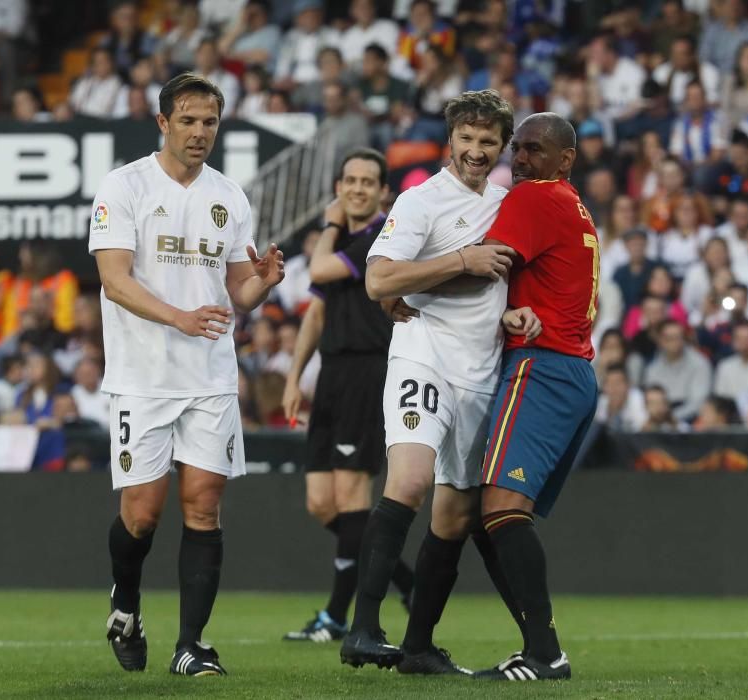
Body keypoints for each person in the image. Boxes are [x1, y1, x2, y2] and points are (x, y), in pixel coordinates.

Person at [91, 73, 285, 677]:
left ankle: (192, 646)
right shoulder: (124, 186)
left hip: (210, 374)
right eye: (189, 121)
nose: (200, 132)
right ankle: (125, 602)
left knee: (204, 505)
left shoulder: (230, 195)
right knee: (142, 515)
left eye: (209, 122)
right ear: (163, 123)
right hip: (142, 375)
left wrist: (263, 283)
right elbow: (114, 279)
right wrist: (178, 317)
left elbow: (236, 293)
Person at [339, 90, 533, 673]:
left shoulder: (507, 204)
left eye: (487, 142)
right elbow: (379, 279)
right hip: (423, 356)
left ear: (502, 147)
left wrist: (513, 313)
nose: (476, 152)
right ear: (450, 142)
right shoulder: (421, 200)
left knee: (453, 517)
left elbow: (503, 282)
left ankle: (418, 647)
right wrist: (460, 261)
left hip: (482, 372)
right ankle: (364, 628)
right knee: (410, 479)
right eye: (467, 140)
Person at [470, 112, 598, 681]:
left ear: (565, 159)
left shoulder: (536, 198)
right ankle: (539, 649)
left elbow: (482, 264)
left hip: (541, 365)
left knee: (500, 510)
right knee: (489, 512)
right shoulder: (570, 203)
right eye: (516, 149)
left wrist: (401, 283)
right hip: (568, 370)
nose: (519, 159)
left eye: (535, 149)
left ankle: (545, 654)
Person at [280, 148, 414, 642]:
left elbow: (317, 271)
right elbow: (316, 311)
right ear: (340, 185)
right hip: (332, 374)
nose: (357, 188)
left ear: (382, 191)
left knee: (352, 496)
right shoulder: (341, 239)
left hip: (367, 370)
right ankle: (406, 579)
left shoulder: (381, 235)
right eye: (350, 180)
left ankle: (337, 616)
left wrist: (330, 224)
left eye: (367, 181)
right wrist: (296, 377)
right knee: (321, 503)